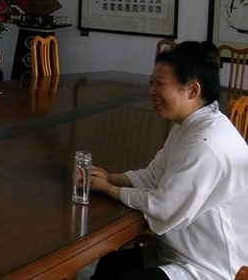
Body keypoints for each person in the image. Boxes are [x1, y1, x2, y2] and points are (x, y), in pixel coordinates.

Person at [89, 41, 248, 280]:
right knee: (110, 265)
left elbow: (164, 209)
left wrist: (110, 189)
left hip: (211, 267)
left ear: (192, 91)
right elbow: (155, 175)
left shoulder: (207, 144)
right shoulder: (190, 126)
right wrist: (111, 177)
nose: (152, 91)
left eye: (160, 84)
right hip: (184, 250)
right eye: (151, 82)